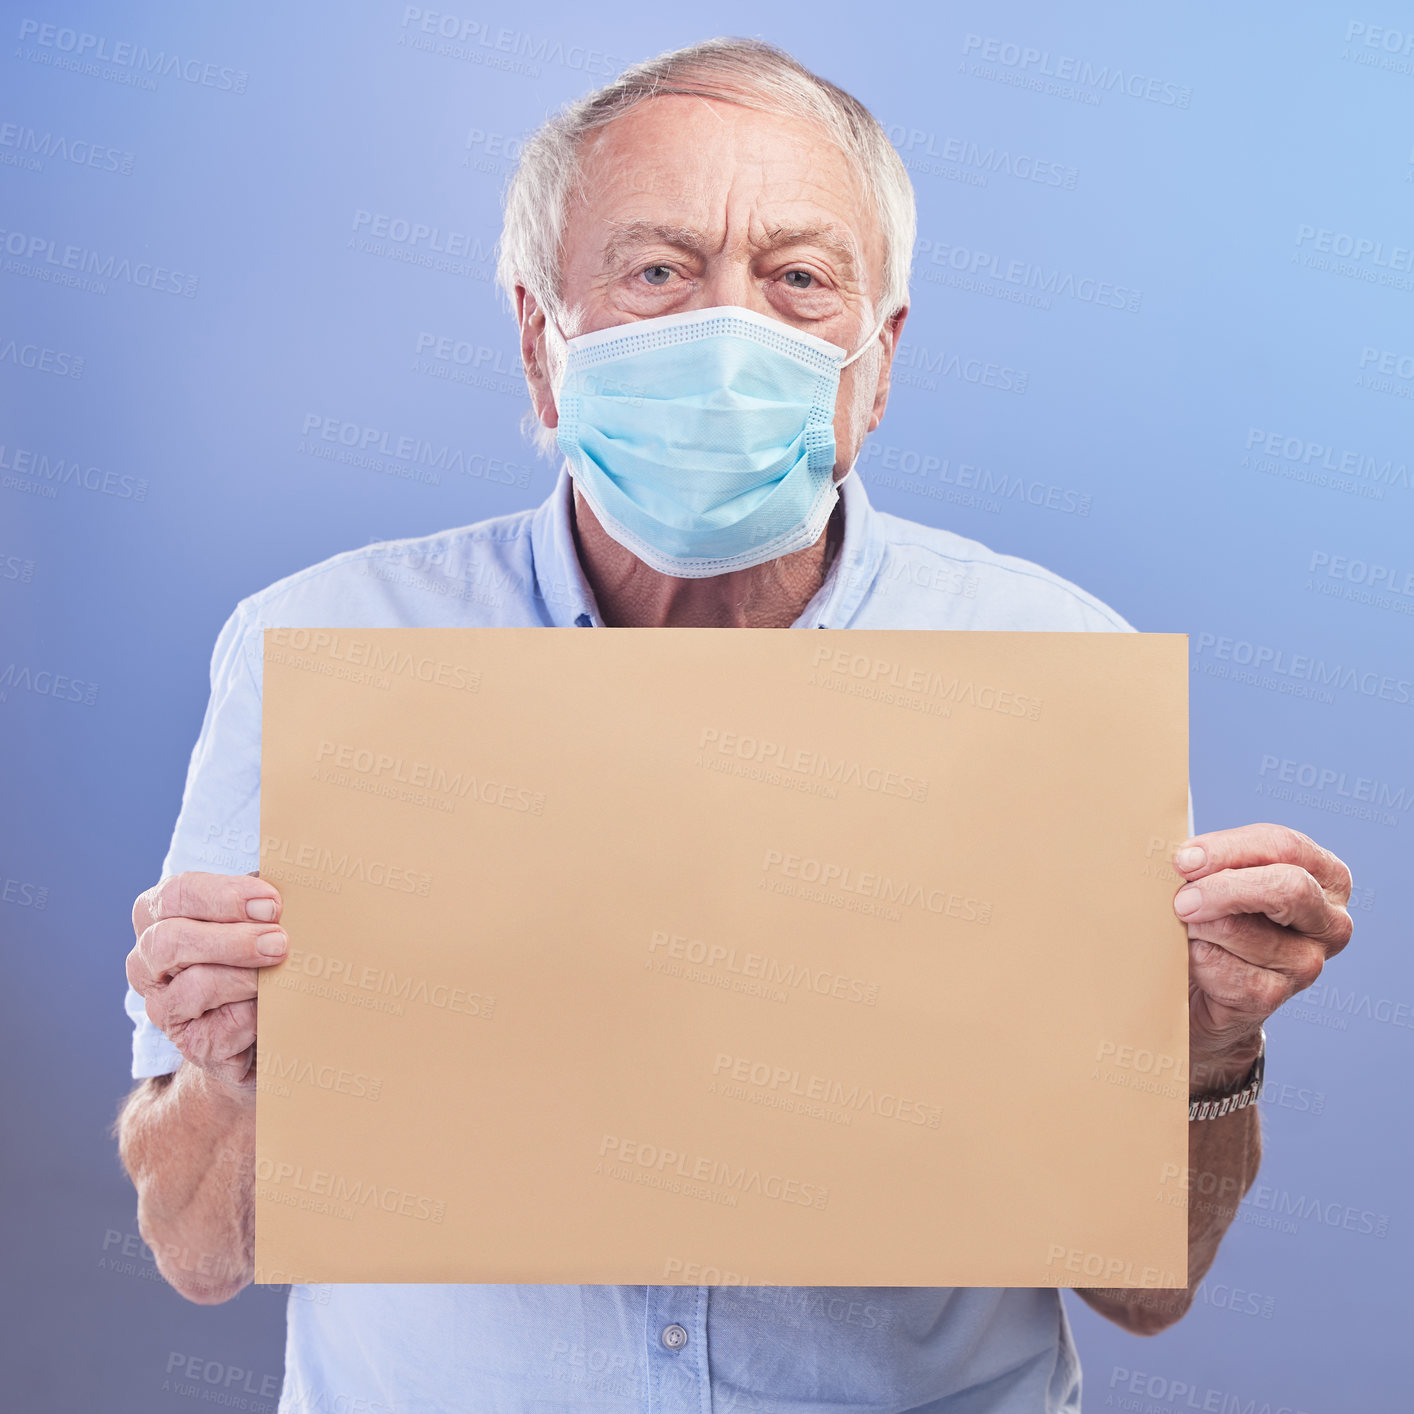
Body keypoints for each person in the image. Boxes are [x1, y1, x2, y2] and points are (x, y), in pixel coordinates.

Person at [118, 37, 1354, 1414]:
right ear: (543, 343)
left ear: (875, 364)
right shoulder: (329, 651)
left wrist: (1205, 1049)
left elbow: (1142, 1288)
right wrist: (229, 1077)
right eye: (656, 272)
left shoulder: (1050, 667)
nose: (726, 339)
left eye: (798, 280)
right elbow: (202, 1251)